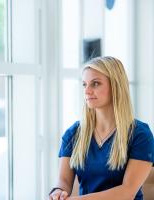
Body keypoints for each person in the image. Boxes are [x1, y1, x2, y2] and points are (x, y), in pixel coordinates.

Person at [49, 56, 154, 200]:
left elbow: (127, 192)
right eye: (84, 84)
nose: (87, 91)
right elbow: (64, 181)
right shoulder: (74, 133)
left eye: (95, 84)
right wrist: (58, 192)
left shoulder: (140, 134)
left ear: (115, 86)